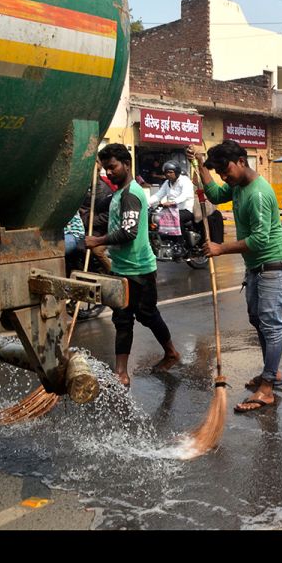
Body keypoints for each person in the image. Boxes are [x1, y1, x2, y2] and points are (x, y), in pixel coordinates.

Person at [187, 140, 282, 412]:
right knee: (257, 319)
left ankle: (267, 387)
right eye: (220, 172)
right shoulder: (237, 186)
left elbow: (259, 239)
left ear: (242, 162)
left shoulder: (257, 193)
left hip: (272, 266)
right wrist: (200, 163)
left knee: (271, 325)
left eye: (226, 170)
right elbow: (214, 194)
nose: (224, 176)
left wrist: (221, 248)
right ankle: (273, 371)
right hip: (255, 267)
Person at [85, 144, 180, 387]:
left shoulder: (131, 194)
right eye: (106, 169)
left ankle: (171, 352)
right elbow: (105, 213)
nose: (109, 172)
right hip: (121, 268)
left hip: (140, 269)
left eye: (113, 167)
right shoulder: (118, 194)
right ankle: (121, 373)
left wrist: (98, 240)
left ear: (127, 164)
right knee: (122, 318)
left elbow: (128, 232)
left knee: (147, 315)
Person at [150, 160, 195, 227]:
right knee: (154, 217)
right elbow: (158, 195)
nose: (168, 174)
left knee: (174, 218)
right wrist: (146, 202)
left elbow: (184, 195)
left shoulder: (185, 180)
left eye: (170, 172)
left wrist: (172, 202)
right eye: (166, 172)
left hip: (185, 210)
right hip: (171, 210)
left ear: (177, 172)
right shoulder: (167, 183)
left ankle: (180, 237)